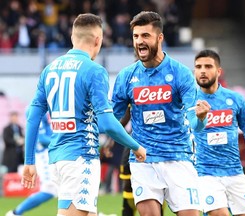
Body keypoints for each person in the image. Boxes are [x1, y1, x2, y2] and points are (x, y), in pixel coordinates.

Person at [21, 13, 146, 216]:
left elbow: (33, 118)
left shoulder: (49, 70)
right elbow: (106, 124)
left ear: (72, 37)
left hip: (58, 159)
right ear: (98, 40)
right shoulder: (94, 71)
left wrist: (29, 161)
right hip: (81, 159)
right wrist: (136, 146)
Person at [112, 11, 210, 216]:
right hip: (143, 160)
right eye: (136, 36)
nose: (139, 41)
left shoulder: (180, 73)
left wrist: (201, 119)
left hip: (178, 158)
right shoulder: (126, 76)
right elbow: (112, 118)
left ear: (159, 38)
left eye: (145, 36)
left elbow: (195, 122)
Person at [193, 49, 245, 216]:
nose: (202, 70)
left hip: (235, 173)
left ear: (218, 71)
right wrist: (201, 119)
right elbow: (191, 128)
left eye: (208, 66)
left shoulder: (235, 99)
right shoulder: (189, 100)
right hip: (205, 173)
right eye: (198, 66)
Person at [6, 112, 57, 216]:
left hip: (51, 153)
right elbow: (42, 139)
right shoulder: (39, 108)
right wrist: (62, 141)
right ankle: (15, 213)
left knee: (62, 186)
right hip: (44, 156)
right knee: (50, 189)